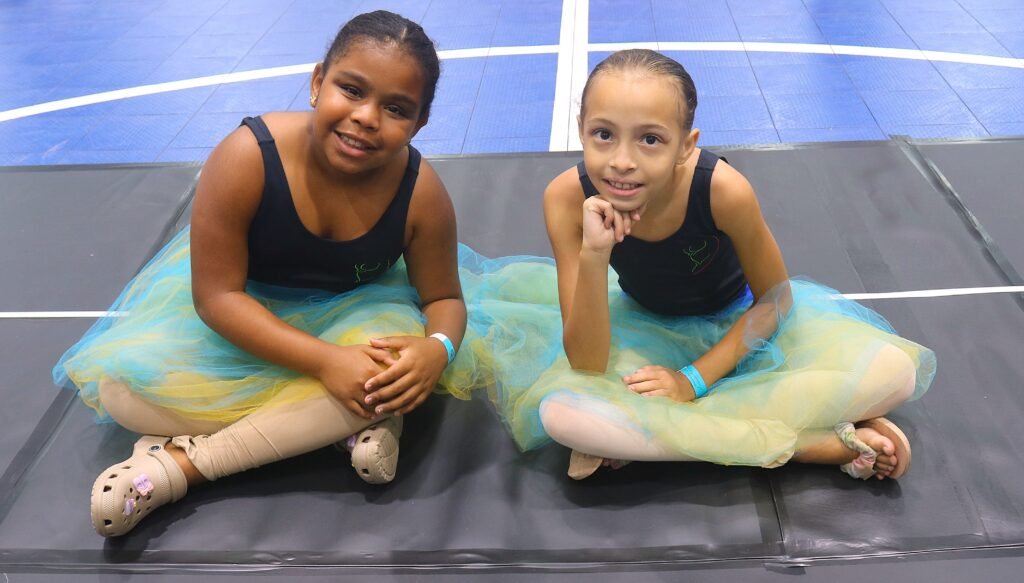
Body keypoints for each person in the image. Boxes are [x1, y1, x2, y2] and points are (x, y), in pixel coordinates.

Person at [53, 10, 477, 537]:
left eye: (396, 109)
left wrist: (438, 349)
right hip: (244, 319)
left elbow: (445, 299)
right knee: (122, 392)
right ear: (317, 82)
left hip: (355, 316)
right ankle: (335, 425)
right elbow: (216, 298)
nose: (367, 117)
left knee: (388, 374)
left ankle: (181, 467)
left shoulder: (421, 193)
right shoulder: (247, 157)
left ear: (420, 124)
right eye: (351, 90)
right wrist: (325, 363)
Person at [475, 49, 935, 481]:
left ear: (685, 146)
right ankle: (810, 444)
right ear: (580, 129)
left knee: (897, 374)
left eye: (650, 140)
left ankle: (657, 435)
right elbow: (587, 361)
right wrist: (595, 255)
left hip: (743, 331)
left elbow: (776, 301)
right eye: (603, 134)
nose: (621, 162)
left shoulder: (722, 189)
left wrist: (691, 382)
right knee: (563, 417)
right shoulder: (565, 198)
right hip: (644, 331)